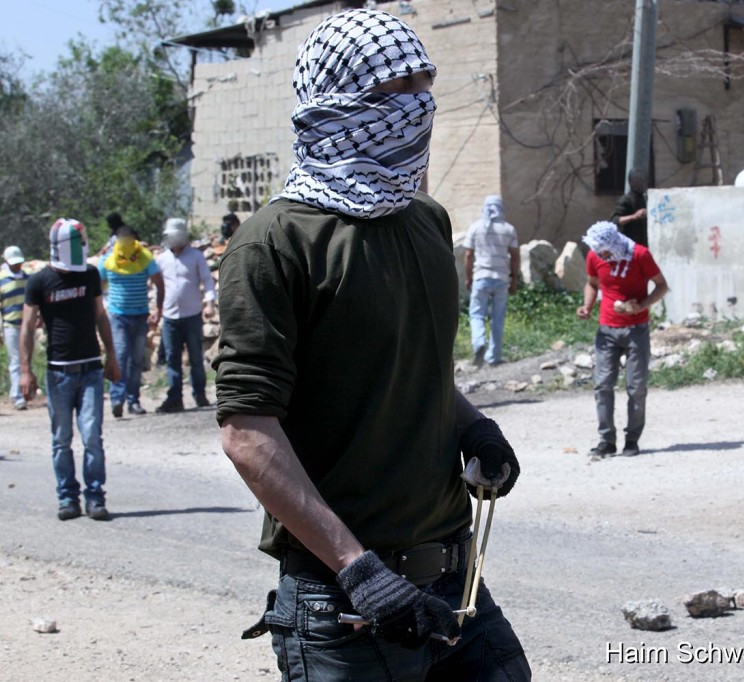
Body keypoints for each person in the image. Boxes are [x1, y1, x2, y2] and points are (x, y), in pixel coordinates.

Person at [212, 9, 529, 680]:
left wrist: (473, 427)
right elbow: (247, 431)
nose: (417, 108)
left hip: (452, 581)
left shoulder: (426, 222)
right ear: (336, 103)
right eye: (394, 91)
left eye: (423, 86)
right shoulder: (275, 243)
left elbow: (413, 370)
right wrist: (358, 569)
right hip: (347, 608)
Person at [20, 218, 120, 521]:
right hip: (58, 372)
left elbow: (100, 316)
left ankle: (95, 497)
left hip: (90, 368)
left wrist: (111, 355)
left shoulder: (89, 275)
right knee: (61, 438)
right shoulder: (39, 282)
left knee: (92, 436)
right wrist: (25, 370)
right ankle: (67, 498)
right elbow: (26, 326)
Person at [576, 221, 669, 458]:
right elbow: (592, 283)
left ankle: (632, 440)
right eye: (598, 250)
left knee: (636, 387)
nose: (601, 254)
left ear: (614, 244)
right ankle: (606, 440)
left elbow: (661, 286)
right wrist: (587, 306)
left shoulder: (639, 254)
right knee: (603, 385)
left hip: (636, 329)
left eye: (605, 250)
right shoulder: (595, 257)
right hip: (607, 330)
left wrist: (642, 305)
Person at [98, 224, 164, 418]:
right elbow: (98, 287)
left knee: (136, 360)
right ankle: (117, 398)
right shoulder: (107, 260)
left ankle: (133, 400)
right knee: (119, 356)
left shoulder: (144, 258)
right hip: (117, 316)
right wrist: (102, 307)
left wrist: (158, 309)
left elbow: (159, 283)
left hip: (140, 315)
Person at [154, 218, 216, 413]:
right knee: (172, 358)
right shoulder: (162, 259)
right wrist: (158, 310)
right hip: (170, 317)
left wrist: (209, 304)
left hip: (192, 315)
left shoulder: (196, 257)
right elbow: (159, 287)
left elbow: (207, 281)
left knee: (196, 357)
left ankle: (200, 395)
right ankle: (175, 398)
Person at [463, 195, 520, 367]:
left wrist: (468, 277)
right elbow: (515, 257)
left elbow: (468, 255)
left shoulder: (475, 228)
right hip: (502, 278)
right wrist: (514, 279)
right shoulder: (509, 229)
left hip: (481, 276)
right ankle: (494, 356)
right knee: (498, 318)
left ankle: (479, 342)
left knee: (476, 314)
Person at [0, 246, 30, 410]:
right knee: (15, 361)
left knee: (26, 359)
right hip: (11, 325)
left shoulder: (28, 278)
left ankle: (26, 391)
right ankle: (17, 395)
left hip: (27, 325)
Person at [611, 168, 649, 247]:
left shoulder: (645, 199)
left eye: (642, 181)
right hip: (628, 247)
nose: (640, 184)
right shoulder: (625, 200)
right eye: (638, 181)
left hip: (643, 246)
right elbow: (615, 220)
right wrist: (634, 216)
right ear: (631, 182)